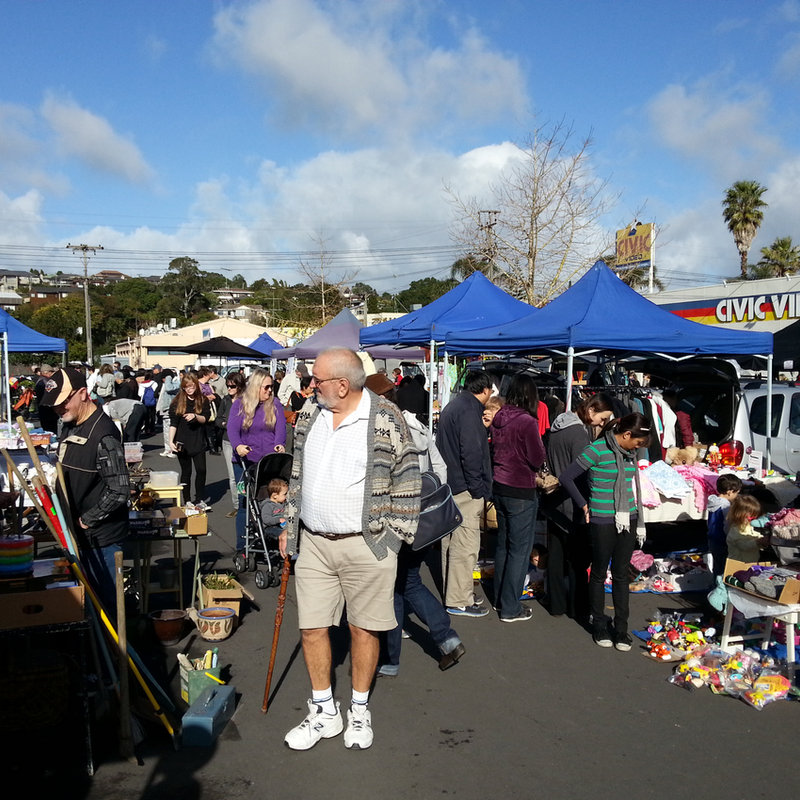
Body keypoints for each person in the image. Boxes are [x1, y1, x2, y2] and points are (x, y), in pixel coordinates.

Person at [278, 347, 421, 751]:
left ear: (342, 384)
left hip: (367, 545)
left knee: (363, 629)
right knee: (311, 628)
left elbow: (409, 479)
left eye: (317, 380)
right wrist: (290, 525)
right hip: (315, 544)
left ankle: (359, 710)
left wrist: (392, 540)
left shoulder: (386, 419)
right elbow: (298, 475)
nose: (311, 386)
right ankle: (324, 710)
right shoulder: (310, 415)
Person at [378, 377, 463, 676]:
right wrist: (428, 495)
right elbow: (439, 469)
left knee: (395, 586)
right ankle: (446, 638)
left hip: (395, 518)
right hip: (422, 518)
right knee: (406, 582)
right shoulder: (417, 426)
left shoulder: (385, 429)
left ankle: (390, 659)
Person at [558, 413, 651, 651]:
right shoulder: (596, 450)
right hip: (601, 518)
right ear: (627, 434)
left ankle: (621, 629)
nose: (638, 448)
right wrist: (583, 504)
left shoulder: (629, 454)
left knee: (621, 574)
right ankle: (599, 624)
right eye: (638, 442)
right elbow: (567, 477)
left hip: (628, 517)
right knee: (599, 572)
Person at [40, 368, 130, 611]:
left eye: (63, 402)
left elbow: (120, 490)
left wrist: (87, 520)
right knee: (87, 607)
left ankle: (115, 650)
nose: (59, 409)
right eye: (55, 404)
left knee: (106, 608)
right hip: (79, 537)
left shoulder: (103, 434)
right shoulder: (71, 424)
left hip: (101, 540)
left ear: (82, 393)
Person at [542, 393, 614, 620]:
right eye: (602, 418)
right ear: (591, 410)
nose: (602, 424)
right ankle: (578, 608)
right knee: (578, 560)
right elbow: (583, 473)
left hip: (553, 501)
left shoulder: (557, 426)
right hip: (574, 504)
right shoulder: (579, 435)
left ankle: (556, 604)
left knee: (555, 556)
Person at [436, 371, 493, 617]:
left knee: (451, 543)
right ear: (486, 389)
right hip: (464, 487)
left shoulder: (454, 405)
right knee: (465, 544)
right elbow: (470, 452)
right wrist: (477, 487)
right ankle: (459, 599)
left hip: (451, 484)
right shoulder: (469, 410)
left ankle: (455, 594)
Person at [490, 373, 546, 622]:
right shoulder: (526, 422)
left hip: (499, 485)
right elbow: (537, 458)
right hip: (520, 488)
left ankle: (500, 598)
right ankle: (510, 607)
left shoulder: (499, 416)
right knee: (519, 550)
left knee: (503, 545)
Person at [227, 368, 286, 552]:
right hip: (245, 462)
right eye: (266, 387)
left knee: (269, 501)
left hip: (268, 463)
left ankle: (270, 536)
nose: (270, 391)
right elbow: (232, 428)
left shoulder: (274, 403)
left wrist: (279, 444)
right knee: (245, 501)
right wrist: (237, 445)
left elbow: (281, 428)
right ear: (256, 387)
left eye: (271, 387)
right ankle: (242, 545)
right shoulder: (239, 404)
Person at [168, 374, 211, 506]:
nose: (189, 389)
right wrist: (170, 441)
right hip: (182, 441)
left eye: (191, 386)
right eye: (186, 387)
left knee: (201, 470)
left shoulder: (203, 400)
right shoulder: (177, 402)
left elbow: (206, 418)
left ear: (196, 386)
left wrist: (195, 416)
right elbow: (173, 423)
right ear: (183, 388)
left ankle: (199, 498)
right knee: (186, 472)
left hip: (198, 440)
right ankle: (186, 500)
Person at [217, 371, 246, 518]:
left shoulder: (247, 401)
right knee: (233, 476)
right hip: (228, 440)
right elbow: (218, 418)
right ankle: (237, 505)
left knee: (247, 474)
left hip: (245, 441)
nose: (229, 389)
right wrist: (225, 424)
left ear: (240, 386)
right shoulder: (225, 400)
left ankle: (248, 504)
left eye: (232, 386)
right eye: (228, 386)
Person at [707, 473, 742, 575]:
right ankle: (721, 588)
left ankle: (715, 586)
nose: (736, 496)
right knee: (724, 568)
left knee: (717, 566)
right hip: (723, 540)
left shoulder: (713, 501)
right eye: (736, 493)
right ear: (730, 492)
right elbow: (727, 524)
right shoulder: (725, 505)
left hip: (712, 538)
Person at [725, 494, 765, 563]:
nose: (752, 519)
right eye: (750, 517)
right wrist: (758, 542)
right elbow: (743, 546)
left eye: (755, 517)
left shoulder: (748, 525)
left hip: (751, 561)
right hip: (737, 563)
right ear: (739, 514)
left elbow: (752, 534)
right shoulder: (735, 530)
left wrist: (761, 539)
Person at [156, 369, 179, 457]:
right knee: (166, 431)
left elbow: (169, 389)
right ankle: (167, 449)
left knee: (171, 431)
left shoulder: (175, 383)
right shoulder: (165, 384)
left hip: (172, 410)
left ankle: (173, 450)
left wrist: (168, 377)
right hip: (165, 410)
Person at [35, 363, 59, 433]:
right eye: (51, 372)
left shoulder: (40, 381)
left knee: (47, 429)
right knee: (51, 430)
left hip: (43, 408)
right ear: (46, 372)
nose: (52, 374)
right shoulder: (46, 382)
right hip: (48, 409)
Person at [138, 370, 159, 436]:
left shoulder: (141, 384)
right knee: (152, 416)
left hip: (144, 402)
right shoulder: (154, 383)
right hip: (153, 402)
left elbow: (140, 394)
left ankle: (146, 429)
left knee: (146, 416)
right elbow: (156, 393)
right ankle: (152, 429)